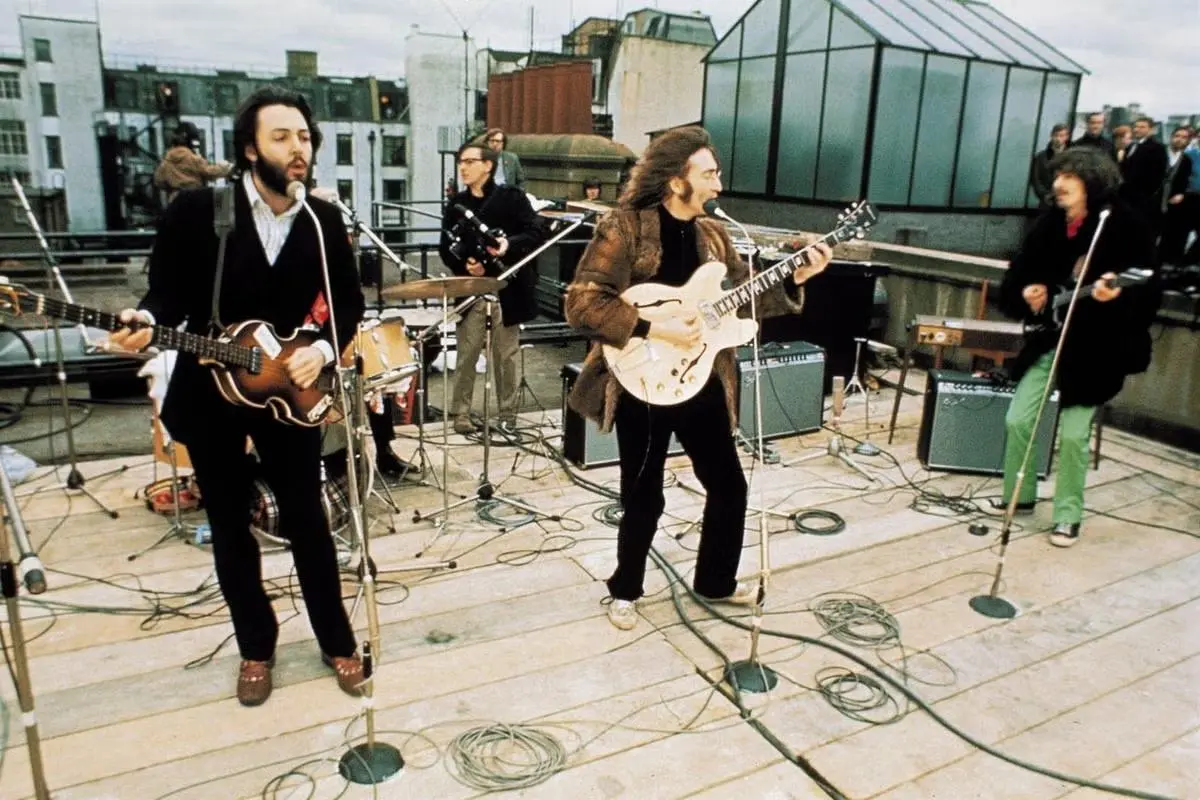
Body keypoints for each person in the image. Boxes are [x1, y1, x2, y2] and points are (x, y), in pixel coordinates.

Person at [110, 87, 366, 706]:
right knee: (230, 527)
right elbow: (164, 293)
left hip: (286, 389)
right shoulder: (202, 211)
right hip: (211, 385)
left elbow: (349, 307)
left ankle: (336, 640)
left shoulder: (322, 219)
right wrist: (143, 318)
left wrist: (322, 350)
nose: (298, 148)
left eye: (304, 136)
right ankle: (256, 646)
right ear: (251, 147)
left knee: (309, 520)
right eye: (281, 137)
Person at [563, 126, 833, 630]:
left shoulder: (715, 235)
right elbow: (580, 304)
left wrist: (794, 277)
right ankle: (625, 589)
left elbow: (739, 302)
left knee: (729, 485)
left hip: (701, 375)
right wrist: (650, 323)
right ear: (675, 181)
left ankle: (715, 582)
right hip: (640, 377)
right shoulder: (624, 228)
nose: (719, 185)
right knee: (643, 495)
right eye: (709, 174)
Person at [996, 147, 1159, 547]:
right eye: (1057, 176)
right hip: (1050, 338)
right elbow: (1021, 277)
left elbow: (1149, 284)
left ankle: (1068, 515)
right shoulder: (1049, 224)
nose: (1058, 184)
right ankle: (1019, 497)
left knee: (1072, 436)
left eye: (1069, 176)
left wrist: (1115, 296)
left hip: (1095, 350)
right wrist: (1029, 293)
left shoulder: (1123, 224)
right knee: (1018, 420)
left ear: (1091, 181)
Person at [439, 141, 544, 434]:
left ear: (488, 165)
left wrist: (508, 245)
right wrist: (466, 266)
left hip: (506, 288)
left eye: (470, 161)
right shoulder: (456, 204)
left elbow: (535, 231)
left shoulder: (511, 198)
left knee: (505, 357)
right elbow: (445, 246)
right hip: (472, 288)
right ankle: (461, 413)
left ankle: (507, 414)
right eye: (461, 161)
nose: (463, 167)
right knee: (467, 353)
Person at [153, 122, 232, 203]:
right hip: (193, 197)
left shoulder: (167, 160)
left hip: (175, 199)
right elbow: (209, 172)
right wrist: (225, 167)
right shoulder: (192, 158)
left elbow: (159, 181)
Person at [1030, 124, 1070, 208]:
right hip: (1046, 202)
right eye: (1056, 135)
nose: (1059, 139)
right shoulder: (1040, 157)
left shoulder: (1072, 157)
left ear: (1067, 137)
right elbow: (1035, 179)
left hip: (1066, 202)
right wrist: (1045, 195)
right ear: (1051, 136)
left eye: (1062, 136)